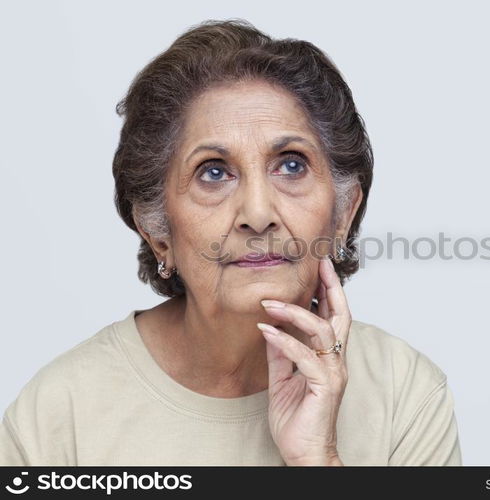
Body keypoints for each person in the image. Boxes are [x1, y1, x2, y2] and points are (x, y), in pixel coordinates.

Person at [0, 18, 461, 466]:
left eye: (292, 165)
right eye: (213, 173)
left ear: (343, 214)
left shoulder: (406, 394)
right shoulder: (58, 414)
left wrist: (318, 460)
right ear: (158, 232)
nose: (257, 215)